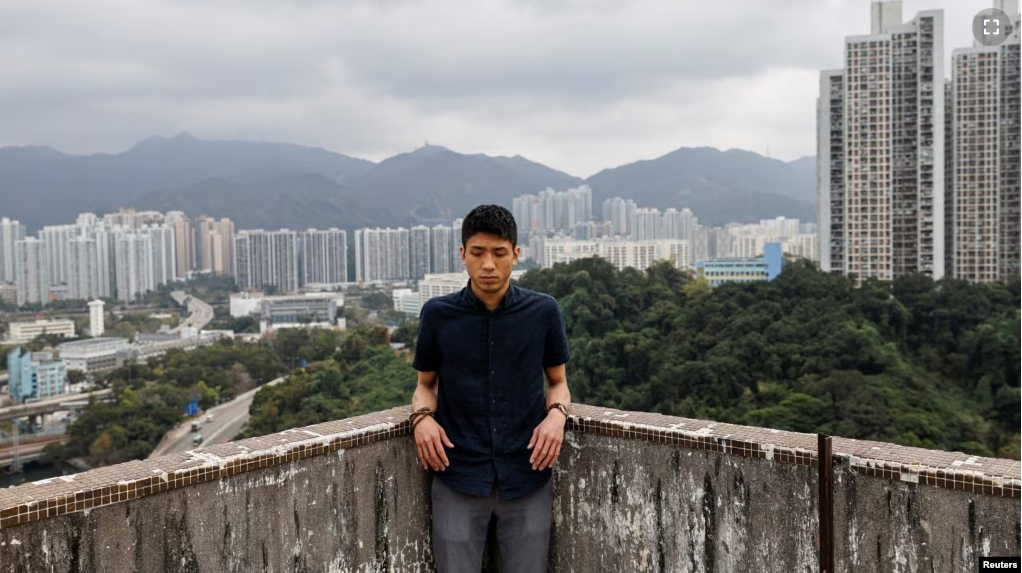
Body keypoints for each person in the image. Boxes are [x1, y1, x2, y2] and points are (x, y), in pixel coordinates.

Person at [410, 204, 571, 573]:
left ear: (515, 255)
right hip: (458, 475)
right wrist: (421, 420)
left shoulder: (544, 311)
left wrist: (556, 416)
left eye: (499, 253)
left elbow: (559, 383)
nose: (488, 265)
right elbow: (424, 386)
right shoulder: (438, 314)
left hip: (527, 474)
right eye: (478, 252)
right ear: (462, 254)